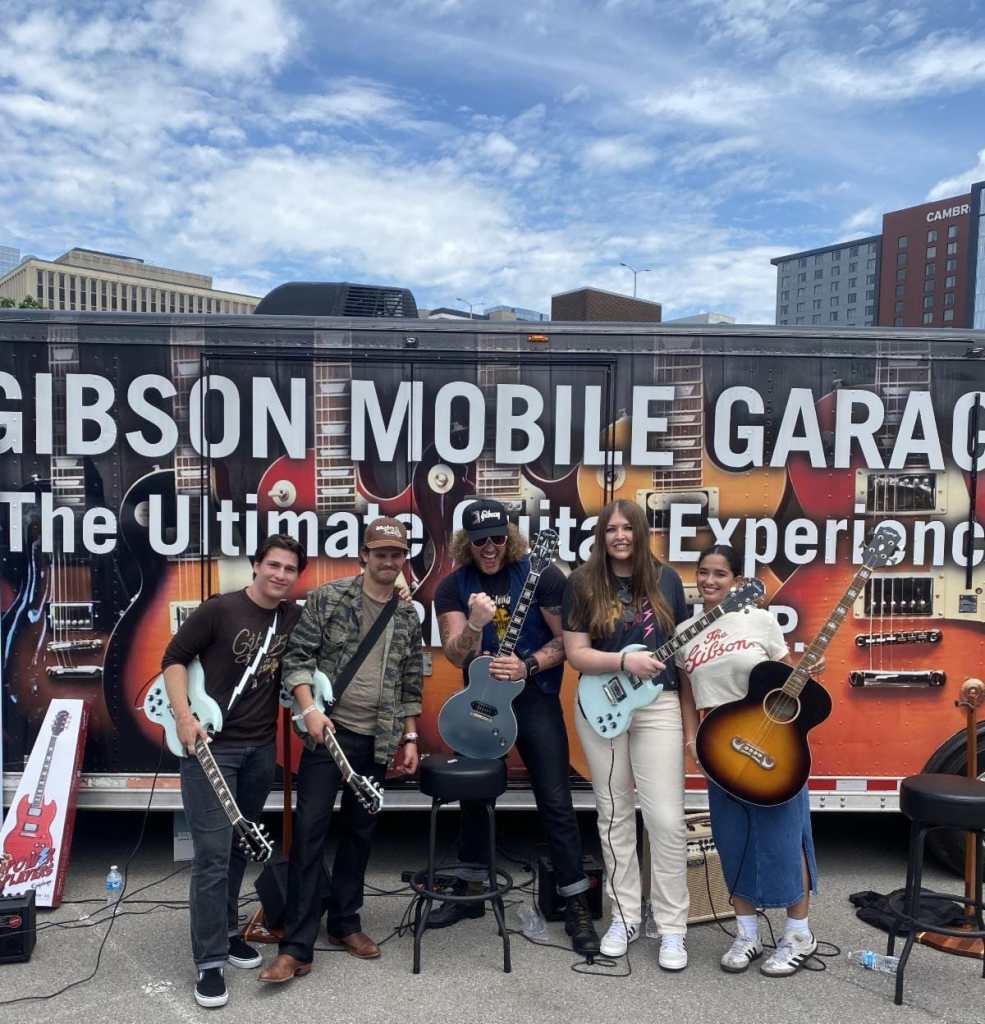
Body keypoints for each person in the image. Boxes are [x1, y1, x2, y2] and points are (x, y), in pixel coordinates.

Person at [430, 498, 601, 957]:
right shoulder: (452, 587)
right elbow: (454, 653)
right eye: (480, 540)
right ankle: (469, 891)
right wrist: (475, 626)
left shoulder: (542, 574)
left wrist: (526, 664)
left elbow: (567, 641)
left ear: (511, 536)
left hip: (534, 698)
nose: (490, 548)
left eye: (498, 538)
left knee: (555, 799)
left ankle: (574, 901)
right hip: (481, 700)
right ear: (467, 543)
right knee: (473, 797)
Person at [260, 517, 423, 984]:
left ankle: (345, 923)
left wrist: (410, 737)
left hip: (378, 738)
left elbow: (413, 681)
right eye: (380, 553)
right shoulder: (330, 598)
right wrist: (309, 711)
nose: (388, 561)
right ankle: (296, 945)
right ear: (364, 555)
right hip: (327, 736)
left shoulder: (409, 615)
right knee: (309, 834)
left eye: (396, 553)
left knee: (360, 833)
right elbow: (297, 660)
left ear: (402, 558)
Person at [162, 534, 306, 1009]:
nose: (280, 575)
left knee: (242, 846)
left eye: (289, 568)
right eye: (273, 565)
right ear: (256, 566)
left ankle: (226, 930)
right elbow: (173, 660)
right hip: (211, 749)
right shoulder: (219, 610)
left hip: (260, 750)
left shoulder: (292, 616)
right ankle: (208, 964)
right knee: (211, 857)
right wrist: (184, 716)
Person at [675, 544, 820, 977]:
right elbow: (687, 691)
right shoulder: (686, 630)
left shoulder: (760, 619)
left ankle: (798, 934)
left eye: (720, 574)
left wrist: (811, 669)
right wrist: (689, 739)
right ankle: (747, 934)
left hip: (772, 746)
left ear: (736, 581)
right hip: (719, 748)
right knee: (732, 841)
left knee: (784, 839)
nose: (709, 581)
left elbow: (785, 679)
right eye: (703, 572)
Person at [562, 499, 694, 970]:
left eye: (627, 528)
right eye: (610, 528)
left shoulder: (668, 581)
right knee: (613, 813)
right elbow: (575, 653)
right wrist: (623, 660)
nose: (619, 536)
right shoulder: (582, 582)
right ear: (601, 535)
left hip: (657, 705)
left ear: (641, 532)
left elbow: (680, 657)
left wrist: (692, 724)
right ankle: (624, 916)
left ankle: (672, 927)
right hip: (603, 705)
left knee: (666, 820)